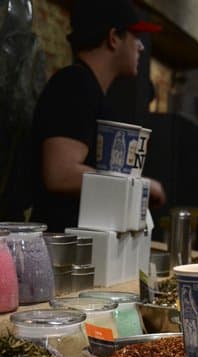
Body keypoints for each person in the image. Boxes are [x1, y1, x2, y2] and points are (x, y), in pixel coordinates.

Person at [29, 0, 166, 232]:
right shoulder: (75, 83)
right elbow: (60, 173)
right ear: (113, 38)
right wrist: (138, 185)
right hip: (60, 252)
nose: (141, 47)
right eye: (135, 36)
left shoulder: (89, 88)